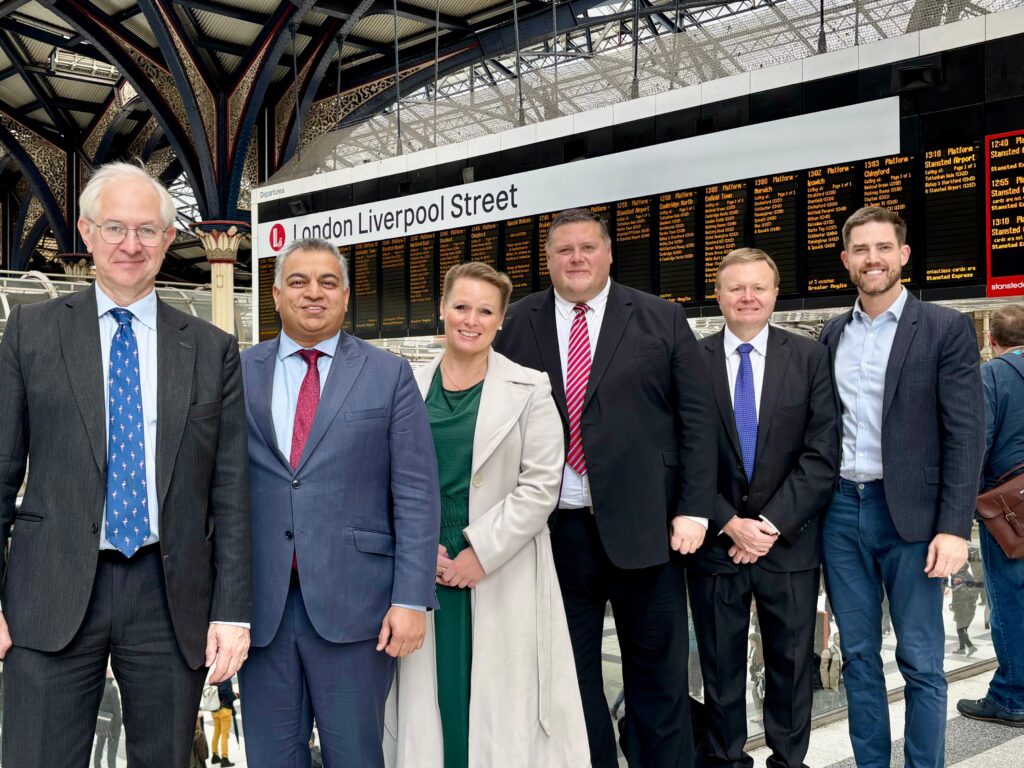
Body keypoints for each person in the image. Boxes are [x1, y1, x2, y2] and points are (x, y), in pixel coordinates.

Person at [0, 162, 251, 766]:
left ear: (169, 239)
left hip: (169, 599)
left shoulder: (210, 348)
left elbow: (231, 490)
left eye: (147, 230)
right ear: (86, 233)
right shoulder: (29, 334)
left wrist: (232, 610)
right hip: (48, 592)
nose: (130, 244)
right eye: (115, 228)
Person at [494, 207, 718, 768]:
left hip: (649, 530)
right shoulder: (516, 324)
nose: (577, 259)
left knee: (658, 681)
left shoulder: (660, 318)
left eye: (587, 247)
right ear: (547, 260)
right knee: (569, 683)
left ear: (609, 253)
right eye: (564, 250)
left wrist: (693, 510)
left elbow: (698, 422)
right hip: (553, 534)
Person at [240, 237, 440, 767]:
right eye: (299, 282)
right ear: (277, 294)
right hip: (261, 610)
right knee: (269, 758)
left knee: (355, 755)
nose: (314, 294)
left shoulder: (388, 374)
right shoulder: (237, 372)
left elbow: (417, 493)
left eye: (328, 282)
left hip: (360, 610)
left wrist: (411, 598)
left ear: (346, 296)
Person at [384, 262, 588, 768]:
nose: (470, 319)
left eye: (485, 311)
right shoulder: (406, 383)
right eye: (461, 307)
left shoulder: (531, 387)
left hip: (502, 562)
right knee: (428, 697)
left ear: (500, 321)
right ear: (442, 310)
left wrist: (481, 553)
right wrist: (414, 545)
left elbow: (542, 484)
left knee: (501, 700)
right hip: (424, 559)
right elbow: (382, 476)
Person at [818, 206, 985, 768]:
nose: (873, 259)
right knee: (860, 657)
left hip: (913, 518)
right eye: (861, 250)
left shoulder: (944, 328)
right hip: (842, 513)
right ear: (846, 261)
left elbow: (966, 434)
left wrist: (953, 527)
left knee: (920, 659)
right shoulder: (831, 333)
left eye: (883, 248)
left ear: (903, 255)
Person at [689, 248, 838, 768]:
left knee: (792, 666)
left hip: (788, 544)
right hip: (715, 544)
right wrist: (729, 522)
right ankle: (727, 761)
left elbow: (823, 455)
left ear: (775, 294)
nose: (747, 297)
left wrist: (768, 526)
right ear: (719, 295)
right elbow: (681, 456)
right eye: (735, 287)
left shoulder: (811, 357)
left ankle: (788, 762)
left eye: (758, 287)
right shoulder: (690, 360)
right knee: (720, 669)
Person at [957, 304, 1024, 727]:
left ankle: (1011, 696)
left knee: (1010, 600)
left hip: (1010, 511)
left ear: (991, 340)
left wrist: (965, 502)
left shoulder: (991, 375)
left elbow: (976, 442)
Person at [94, 667, 122, 768]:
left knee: (99, 748)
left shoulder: (99, 688)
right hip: (113, 725)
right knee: (111, 754)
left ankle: (97, 766)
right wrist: (119, 723)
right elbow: (117, 710)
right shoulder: (113, 689)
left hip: (101, 722)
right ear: (108, 674)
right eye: (109, 671)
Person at [211, 678, 238, 765]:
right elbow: (229, 697)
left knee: (216, 733)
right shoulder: (226, 680)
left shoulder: (213, 679)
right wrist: (236, 696)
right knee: (224, 735)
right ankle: (225, 758)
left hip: (215, 710)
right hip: (225, 711)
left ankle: (215, 756)